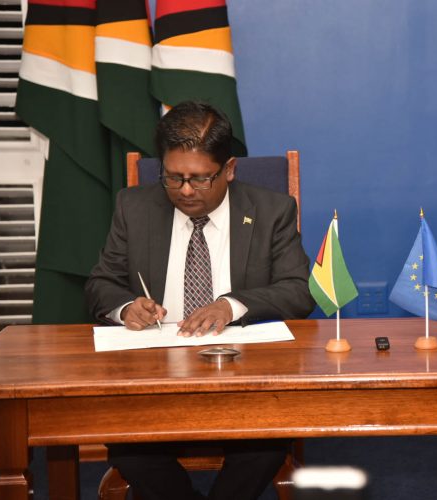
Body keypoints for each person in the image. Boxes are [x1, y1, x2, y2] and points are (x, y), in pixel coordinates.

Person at [85, 101, 315, 500]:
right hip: (154, 376)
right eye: (173, 178)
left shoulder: (272, 210)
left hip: (244, 376)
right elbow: (101, 283)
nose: (186, 190)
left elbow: (299, 290)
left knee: (266, 443)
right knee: (127, 444)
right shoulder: (134, 206)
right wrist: (126, 308)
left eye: (199, 178)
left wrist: (231, 306)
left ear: (229, 169)